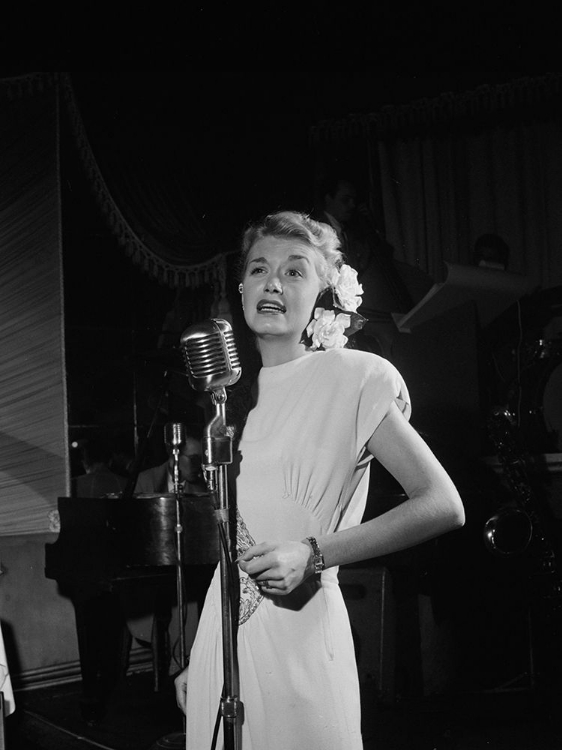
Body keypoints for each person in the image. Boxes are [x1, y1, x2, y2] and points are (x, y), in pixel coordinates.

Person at [174, 210, 465, 749]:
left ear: (324, 294)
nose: (273, 282)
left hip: (301, 639)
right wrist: (200, 652)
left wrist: (314, 553)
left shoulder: (353, 377)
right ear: (241, 289)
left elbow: (442, 504)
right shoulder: (231, 401)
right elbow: (230, 547)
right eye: (259, 269)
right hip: (224, 642)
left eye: (294, 270)